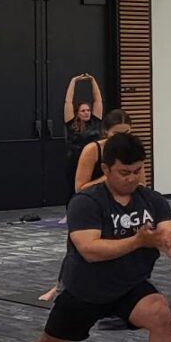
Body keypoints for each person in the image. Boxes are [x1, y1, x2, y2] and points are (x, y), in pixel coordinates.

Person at [0, 132, 171, 342]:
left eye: (137, 171)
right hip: (85, 289)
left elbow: (170, 232)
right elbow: (90, 250)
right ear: (106, 169)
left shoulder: (152, 200)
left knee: (161, 313)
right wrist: (138, 241)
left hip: (130, 286)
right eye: (124, 172)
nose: (132, 178)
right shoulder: (86, 201)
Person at [38, 109, 135, 304]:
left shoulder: (132, 150)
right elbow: (80, 187)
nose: (123, 138)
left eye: (127, 133)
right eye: (118, 134)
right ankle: (60, 287)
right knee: (76, 251)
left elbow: (141, 183)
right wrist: (109, 177)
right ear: (106, 132)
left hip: (119, 204)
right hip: (90, 204)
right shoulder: (93, 150)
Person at [61, 74, 105, 198]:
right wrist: (73, 81)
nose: (86, 113)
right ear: (77, 113)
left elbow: (98, 100)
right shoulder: (71, 124)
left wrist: (93, 80)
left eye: (88, 110)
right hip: (76, 161)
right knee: (75, 191)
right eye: (83, 111)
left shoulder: (95, 121)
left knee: (95, 189)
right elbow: (68, 101)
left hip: (94, 161)